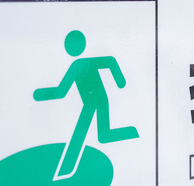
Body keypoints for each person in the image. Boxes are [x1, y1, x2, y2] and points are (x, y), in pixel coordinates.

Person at [33, 30, 138, 178]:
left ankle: (66, 168)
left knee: (98, 134)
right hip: (90, 103)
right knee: (96, 134)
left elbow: (110, 61)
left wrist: (121, 81)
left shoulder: (81, 64)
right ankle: (66, 168)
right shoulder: (76, 66)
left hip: (100, 100)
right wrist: (41, 94)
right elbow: (61, 91)